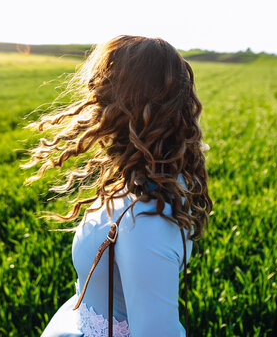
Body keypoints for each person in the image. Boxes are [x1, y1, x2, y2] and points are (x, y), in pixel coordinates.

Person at [22, 35, 212, 337]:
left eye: (105, 85)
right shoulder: (142, 179)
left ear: (127, 102)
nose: (94, 94)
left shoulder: (147, 219)